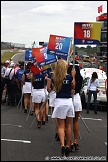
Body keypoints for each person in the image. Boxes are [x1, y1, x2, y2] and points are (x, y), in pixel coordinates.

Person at [47, 59, 76, 157]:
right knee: (68, 125)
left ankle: (62, 145)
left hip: (59, 102)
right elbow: (73, 87)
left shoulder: (55, 78)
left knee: (60, 126)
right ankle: (68, 145)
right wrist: (73, 76)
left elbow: (51, 88)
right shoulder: (69, 77)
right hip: (68, 102)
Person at [67, 61, 83, 152]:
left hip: (70, 98)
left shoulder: (69, 77)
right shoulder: (80, 77)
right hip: (77, 99)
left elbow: (72, 87)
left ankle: (69, 142)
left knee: (68, 122)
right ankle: (75, 140)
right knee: (76, 120)